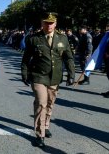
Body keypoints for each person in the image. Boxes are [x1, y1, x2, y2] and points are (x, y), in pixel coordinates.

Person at [21, 12, 75, 147]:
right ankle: (40, 134)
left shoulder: (62, 38)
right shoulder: (34, 39)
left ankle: (45, 125)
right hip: (39, 76)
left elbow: (68, 58)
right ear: (42, 23)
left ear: (55, 24)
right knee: (41, 103)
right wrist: (24, 73)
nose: (49, 25)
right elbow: (26, 58)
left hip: (55, 77)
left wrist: (71, 74)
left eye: (51, 23)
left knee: (50, 103)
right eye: (46, 22)